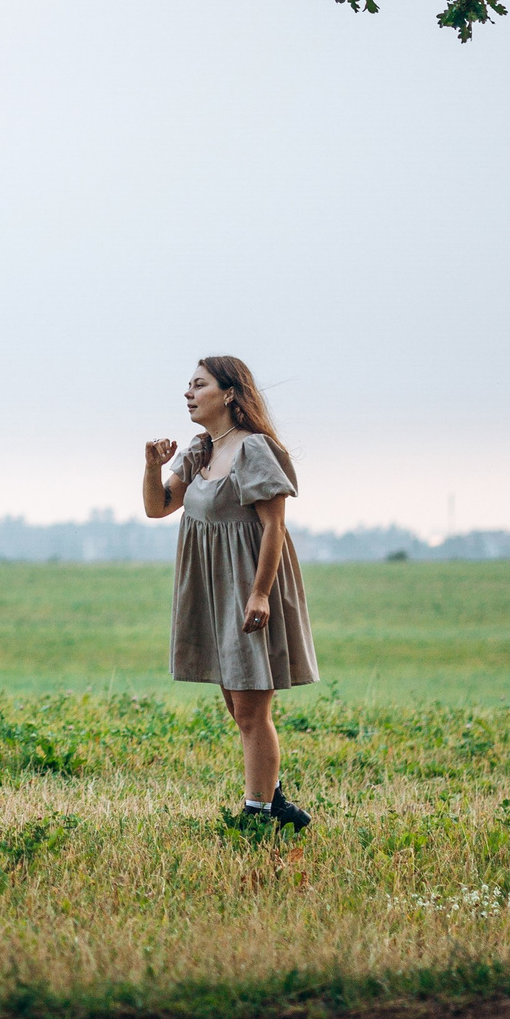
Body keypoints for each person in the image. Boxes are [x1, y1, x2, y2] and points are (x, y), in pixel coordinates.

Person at [142, 355, 318, 829]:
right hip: (212, 591)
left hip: (247, 588)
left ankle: (259, 815)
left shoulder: (253, 449)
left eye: (199, 384)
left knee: (251, 709)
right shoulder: (200, 451)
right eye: (188, 385)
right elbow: (159, 507)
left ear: (230, 394)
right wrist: (152, 467)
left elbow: (274, 526)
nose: (188, 393)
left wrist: (260, 594)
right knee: (238, 709)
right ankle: (274, 802)